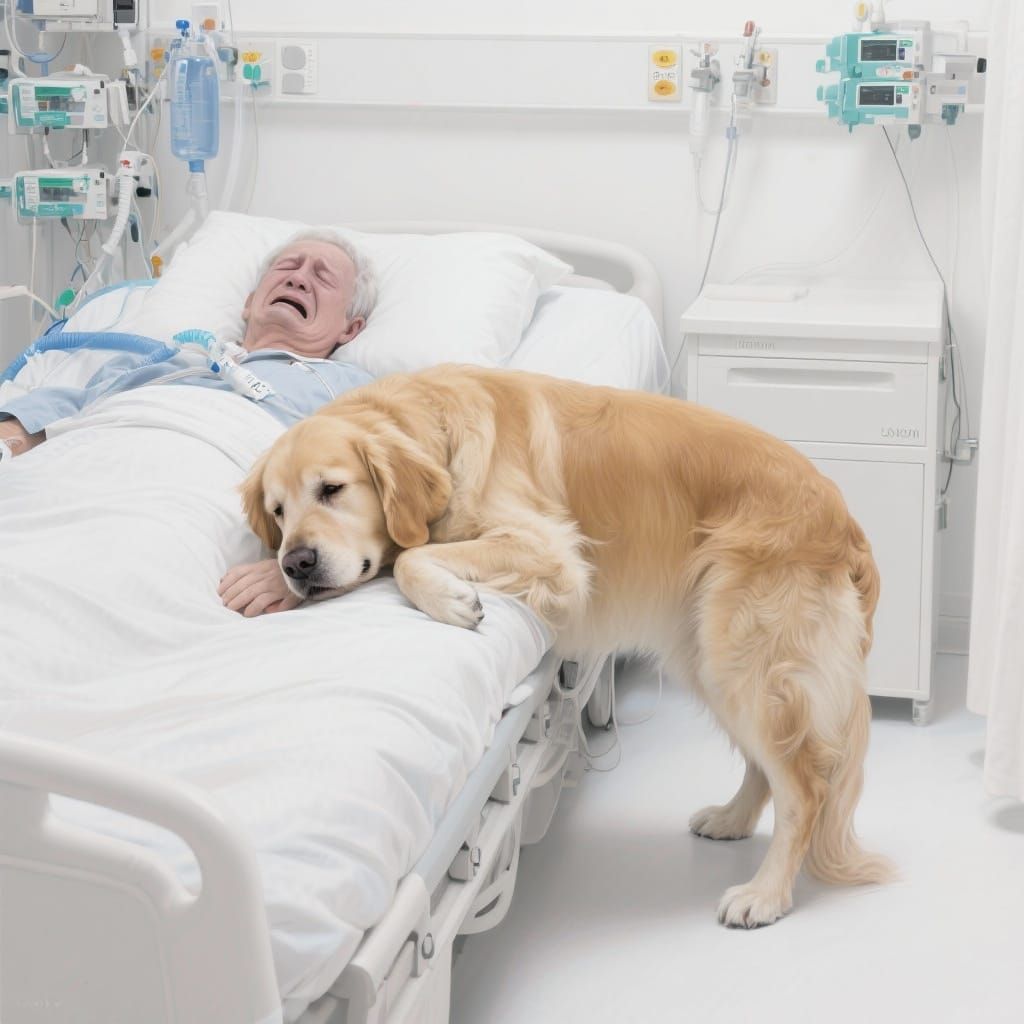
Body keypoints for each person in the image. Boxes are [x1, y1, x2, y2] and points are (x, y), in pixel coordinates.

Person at [0, 227, 377, 617]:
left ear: (351, 329)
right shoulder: (168, 358)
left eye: (322, 277)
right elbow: (67, 404)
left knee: (92, 588)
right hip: (78, 458)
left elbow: (384, 493)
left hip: (201, 484)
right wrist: (9, 436)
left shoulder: (346, 387)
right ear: (248, 303)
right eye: (288, 267)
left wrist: (309, 568)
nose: (298, 278)